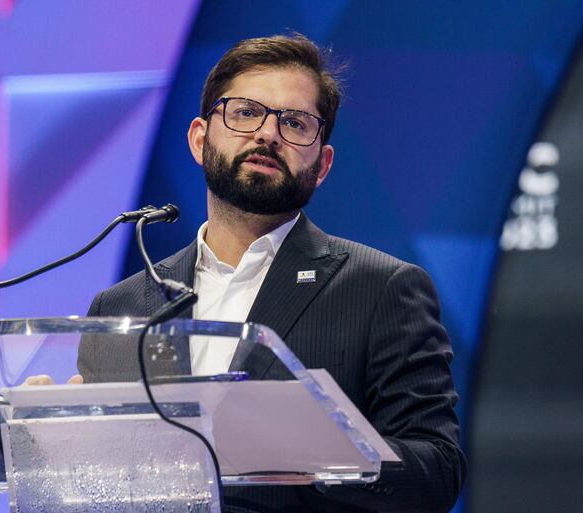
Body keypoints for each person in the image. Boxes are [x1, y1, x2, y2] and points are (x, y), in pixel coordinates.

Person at [78, 34, 467, 513]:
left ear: (321, 164)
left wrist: (322, 451)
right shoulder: (120, 308)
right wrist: (53, 437)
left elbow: (438, 471)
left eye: (296, 123)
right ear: (200, 139)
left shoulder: (380, 288)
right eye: (245, 112)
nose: (267, 133)